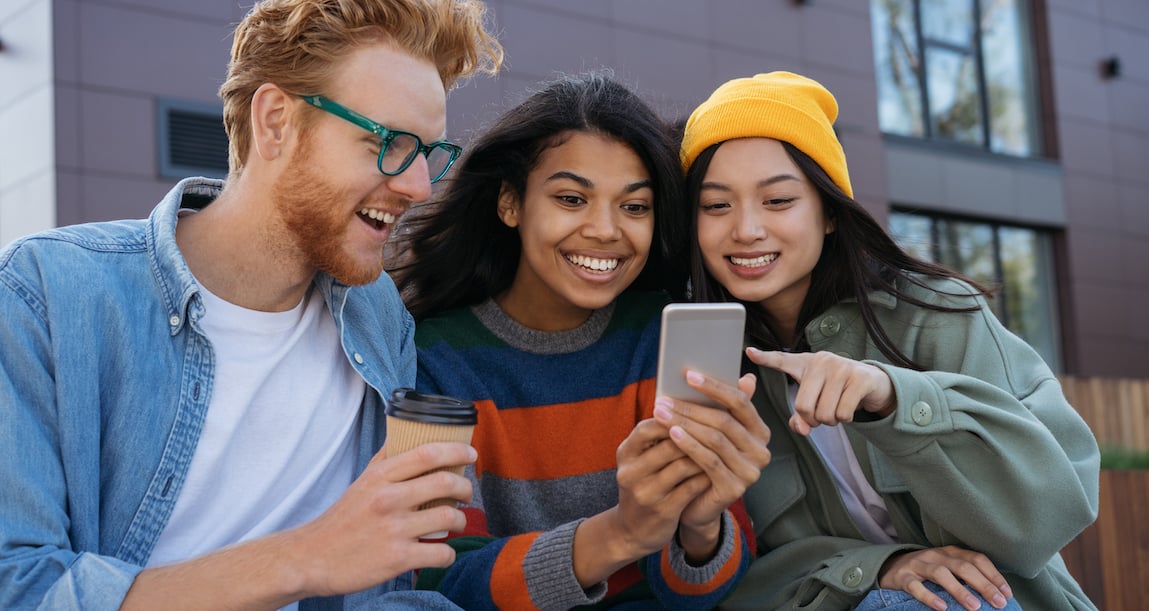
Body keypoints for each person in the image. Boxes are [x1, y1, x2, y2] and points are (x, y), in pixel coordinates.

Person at [0, 1, 503, 609]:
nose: (419, 186)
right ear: (275, 123)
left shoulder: (378, 315)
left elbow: (381, 589)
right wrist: (303, 556)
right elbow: (20, 586)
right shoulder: (47, 294)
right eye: (388, 142)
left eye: (427, 152)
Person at [678, 70, 1099, 611]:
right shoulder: (706, 368)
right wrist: (880, 569)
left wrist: (894, 398)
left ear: (829, 212)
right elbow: (735, 582)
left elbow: (1050, 512)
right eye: (716, 206)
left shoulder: (939, 313)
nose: (746, 229)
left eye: (778, 201)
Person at [389, 71, 772, 610]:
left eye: (634, 206)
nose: (605, 230)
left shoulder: (667, 335)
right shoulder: (435, 359)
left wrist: (702, 524)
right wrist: (619, 534)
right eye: (572, 198)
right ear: (510, 203)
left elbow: (705, 594)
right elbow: (435, 585)